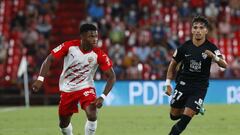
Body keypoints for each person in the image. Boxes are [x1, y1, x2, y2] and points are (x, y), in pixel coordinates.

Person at [32, 23, 116, 135]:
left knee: (92, 114)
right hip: (67, 89)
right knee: (63, 123)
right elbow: (49, 59)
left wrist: (103, 96)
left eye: (96, 36)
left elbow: (112, 76)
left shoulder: (99, 54)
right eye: (91, 36)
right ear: (82, 36)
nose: (95, 39)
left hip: (86, 87)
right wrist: (40, 79)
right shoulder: (69, 46)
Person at [164, 15, 227, 135]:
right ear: (192, 30)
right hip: (183, 84)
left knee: (184, 120)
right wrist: (167, 83)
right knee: (174, 116)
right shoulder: (184, 47)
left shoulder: (211, 48)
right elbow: (172, 65)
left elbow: (224, 65)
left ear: (206, 31)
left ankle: (194, 107)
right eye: (195, 27)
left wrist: (214, 57)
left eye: (201, 28)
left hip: (199, 87)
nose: (198, 30)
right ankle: (196, 108)